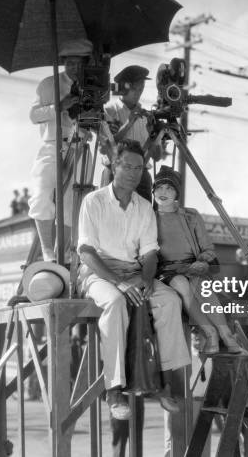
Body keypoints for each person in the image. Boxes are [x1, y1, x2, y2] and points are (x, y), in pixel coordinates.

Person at [77, 139, 191, 420]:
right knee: (116, 303)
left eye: (139, 168)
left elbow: (150, 252)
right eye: (127, 166)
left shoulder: (143, 207)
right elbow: (87, 252)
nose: (133, 173)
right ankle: (114, 389)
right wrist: (120, 283)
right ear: (114, 166)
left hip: (136, 272)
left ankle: (165, 383)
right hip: (99, 273)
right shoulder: (94, 201)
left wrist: (145, 280)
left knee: (169, 300)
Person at [152, 166, 244, 354]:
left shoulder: (191, 215)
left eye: (169, 188)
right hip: (167, 271)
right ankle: (209, 333)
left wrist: (202, 261)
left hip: (193, 265)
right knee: (182, 286)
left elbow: (208, 248)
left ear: (177, 193)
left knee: (202, 286)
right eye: (159, 188)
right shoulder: (147, 217)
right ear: (153, 190)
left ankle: (225, 333)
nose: (163, 193)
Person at [28, 38, 93, 262]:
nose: (75, 68)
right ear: (64, 61)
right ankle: (47, 252)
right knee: (41, 194)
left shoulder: (93, 84)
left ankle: (60, 255)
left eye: (80, 63)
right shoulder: (48, 84)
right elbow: (34, 116)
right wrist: (59, 106)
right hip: (53, 145)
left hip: (80, 146)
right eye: (71, 63)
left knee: (72, 203)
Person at [100, 65, 163, 201]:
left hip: (141, 176)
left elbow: (158, 156)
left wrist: (154, 136)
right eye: (135, 88)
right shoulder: (110, 110)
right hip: (115, 173)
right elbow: (105, 147)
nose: (138, 93)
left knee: (143, 219)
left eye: (141, 88)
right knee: (110, 218)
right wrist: (128, 123)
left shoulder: (147, 116)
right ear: (123, 88)